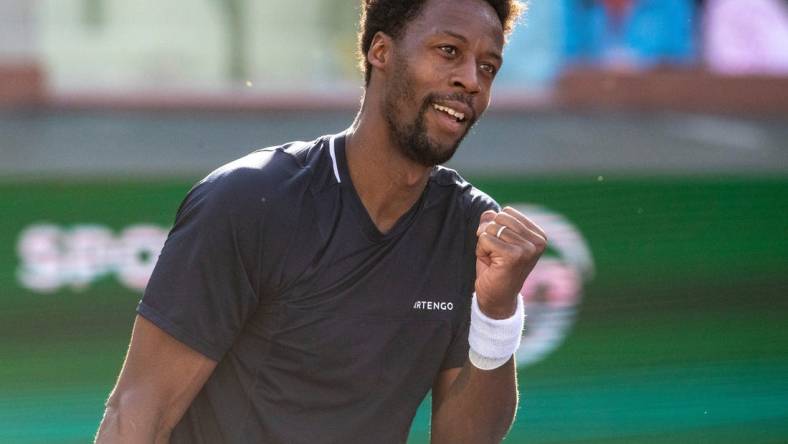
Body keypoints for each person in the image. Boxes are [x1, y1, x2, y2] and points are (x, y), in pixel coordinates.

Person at [95, 0, 546, 442]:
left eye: (488, 67)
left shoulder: (470, 228)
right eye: (449, 51)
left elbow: (463, 437)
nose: (470, 79)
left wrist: (496, 313)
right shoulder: (249, 200)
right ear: (381, 52)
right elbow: (139, 407)